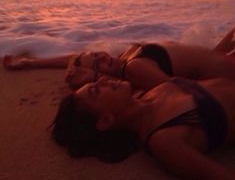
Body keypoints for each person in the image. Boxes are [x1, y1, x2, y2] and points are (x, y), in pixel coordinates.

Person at [50, 76, 235, 180]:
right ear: (105, 120)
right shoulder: (164, 140)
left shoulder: (147, 92)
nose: (104, 80)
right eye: (96, 90)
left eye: (96, 81)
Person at [3, 28, 235, 90]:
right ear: (100, 77)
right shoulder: (133, 69)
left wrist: (30, 63)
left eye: (97, 54)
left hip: (221, 55)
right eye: (98, 64)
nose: (102, 56)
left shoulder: (126, 56)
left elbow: (74, 57)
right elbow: (182, 89)